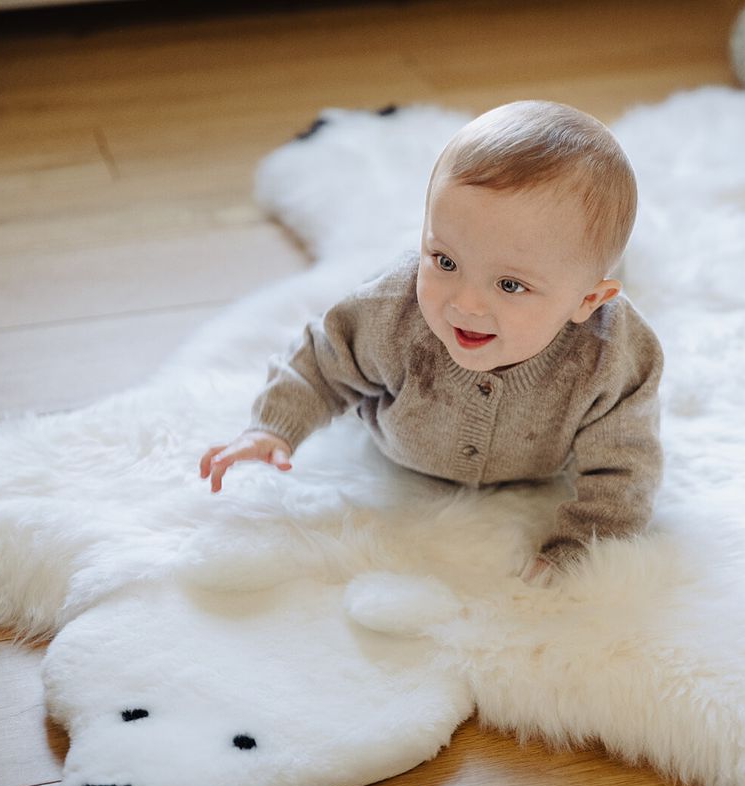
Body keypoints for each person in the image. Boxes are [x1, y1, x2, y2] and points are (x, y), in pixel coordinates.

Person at [199, 100, 663, 587]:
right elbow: (321, 360)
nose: (464, 304)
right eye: (444, 261)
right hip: (398, 451)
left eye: (509, 286)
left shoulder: (613, 356)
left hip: (547, 462)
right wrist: (272, 427)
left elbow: (625, 470)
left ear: (590, 300)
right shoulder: (391, 310)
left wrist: (579, 549)